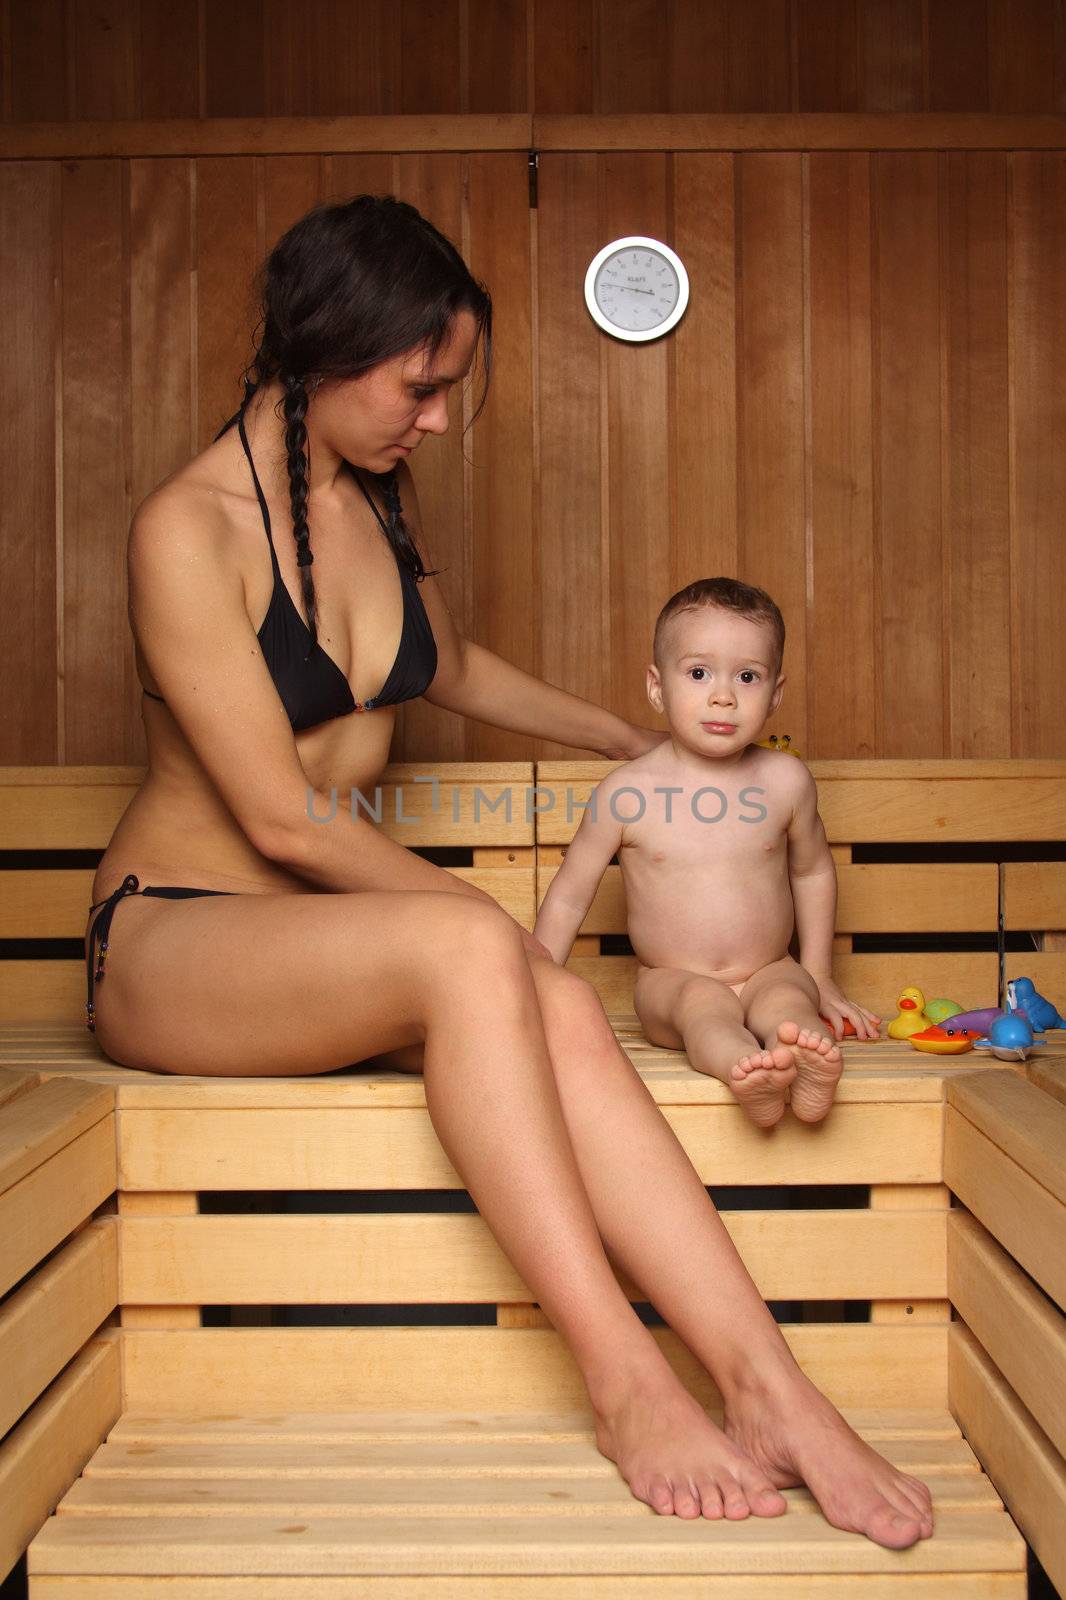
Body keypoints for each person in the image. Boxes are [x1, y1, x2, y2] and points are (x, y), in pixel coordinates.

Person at [85, 196, 931, 1546]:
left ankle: (771, 1384)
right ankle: (625, 1379)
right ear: (323, 346)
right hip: (179, 941)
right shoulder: (187, 530)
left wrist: (625, 738)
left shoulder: (367, 503)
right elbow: (287, 820)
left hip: (332, 957)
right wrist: (479, 920)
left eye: (448, 389)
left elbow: (448, 665)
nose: (433, 419)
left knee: (536, 991)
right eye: (419, 385)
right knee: (488, 951)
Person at [535, 578, 881, 1130]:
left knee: (790, 1009)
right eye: (698, 673)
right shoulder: (627, 793)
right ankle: (745, 1072)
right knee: (706, 1012)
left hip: (769, 968)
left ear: (776, 692)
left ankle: (806, 1061)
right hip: (671, 981)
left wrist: (818, 975)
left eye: (748, 676)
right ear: (656, 687)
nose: (724, 695)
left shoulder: (785, 781)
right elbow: (570, 898)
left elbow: (813, 871)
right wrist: (537, 982)